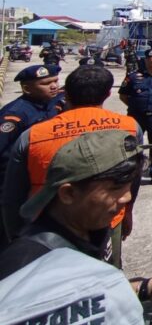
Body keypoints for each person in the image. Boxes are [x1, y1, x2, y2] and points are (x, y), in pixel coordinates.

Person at [0, 130, 152, 323]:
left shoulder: (93, 225)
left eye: (129, 186)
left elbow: (83, 301)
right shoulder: (24, 266)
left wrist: (145, 288)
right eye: (115, 188)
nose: (127, 197)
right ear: (68, 193)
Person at [2, 66, 140, 267]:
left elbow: (12, 197)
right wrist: (127, 212)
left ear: (65, 93)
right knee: (107, 276)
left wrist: (17, 237)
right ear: (108, 93)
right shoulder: (129, 127)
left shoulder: (32, 135)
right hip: (108, 217)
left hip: (45, 228)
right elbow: (131, 180)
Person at [0, 64, 63, 244]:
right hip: (13, 182)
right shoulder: (15, 114)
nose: (53, 86)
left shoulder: (53, 104)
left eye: (55, 81)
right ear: (27, 88)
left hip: (40, 180)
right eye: (45, 83)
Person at [119, 48, 152, 182]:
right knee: (133, 143)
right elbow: (123, 95)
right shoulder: (133, 76)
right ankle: (133, 171)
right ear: (147, 60)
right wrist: (136, 105)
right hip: (136, 115)